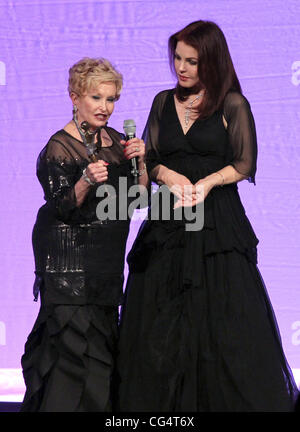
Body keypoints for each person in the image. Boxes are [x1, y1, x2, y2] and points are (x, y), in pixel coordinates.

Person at [116, 21, 299, 412]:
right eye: (178, 59)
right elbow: (152, 160)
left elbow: (245, 163)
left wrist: (209, 182)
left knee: (225, 327)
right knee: (158, 327)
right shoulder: (163, 102)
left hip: (216, 221)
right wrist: (163, 172)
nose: (181, 68)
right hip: (169, 222)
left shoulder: (232, 103)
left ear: (211, 62)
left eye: (192, 61)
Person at [20, 57, 148, 412]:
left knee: (101, 368)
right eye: (96, 98)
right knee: (70, 369)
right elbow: (61, 205)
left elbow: (136, 200)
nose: (105, 107)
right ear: (75, 97)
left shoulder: (119, 141)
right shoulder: (59, 147)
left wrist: (142, 164)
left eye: (111, 100)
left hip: (105, 268)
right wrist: (86, 180)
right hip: (67, 269)